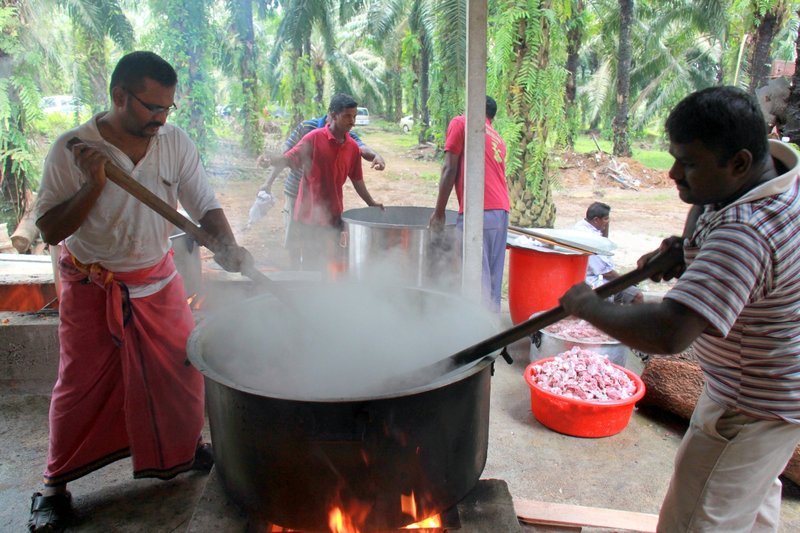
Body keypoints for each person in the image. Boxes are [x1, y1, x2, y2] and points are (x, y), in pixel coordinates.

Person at [28, 51, 252, 532]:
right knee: (79, 386)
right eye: (152, 107)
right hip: (95, 283)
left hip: (158, 278)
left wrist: (227, 246)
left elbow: (203, 203)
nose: (161, 118)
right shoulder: (73, 149)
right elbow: (49, 228)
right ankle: (54, 487)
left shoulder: (174, 142)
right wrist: (93, 185)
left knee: (183, 371)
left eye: (168, 108)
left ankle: (183, 450)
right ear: (119, 96)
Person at [559, 86, 800, 532]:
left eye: (688, 163)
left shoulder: (747, 234)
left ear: (740, 162)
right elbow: (723, 229)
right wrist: (688, 251)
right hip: (776, 392)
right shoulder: (774, 173)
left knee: (695, 521)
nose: (672, 173)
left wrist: (589, 306)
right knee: (748, 509)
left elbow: (670, 332)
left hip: (750, 405)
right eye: (674, 157)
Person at [265, 93, 383, 272]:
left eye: (354, 116)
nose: (352, 121)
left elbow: (357, 179)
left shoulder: (352, 147)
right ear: (333, 115)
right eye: (347, 116)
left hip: (334, 215)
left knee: (331, 263)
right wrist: (271, 160)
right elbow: (289, 159)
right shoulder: (313, 138)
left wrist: (371, 203)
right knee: (311, 263)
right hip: (308, 216)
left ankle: (326, 295)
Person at [430, 96, 509, 312]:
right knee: (492, 279)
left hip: (479, 210)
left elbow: (449, 169)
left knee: (474, 278)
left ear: (473, 107)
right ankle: (493, 336)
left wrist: (439, 213)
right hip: (501, 212)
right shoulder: (496, 137)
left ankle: (476, 338)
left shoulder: (462, 122)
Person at [574, 201, 643, 304]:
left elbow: (604, 241)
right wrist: (628, 280)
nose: (608, 222)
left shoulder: (584, 225)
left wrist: (605, 224)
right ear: (596, 220)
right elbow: (607, 273)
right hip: (593, 283)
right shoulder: (590, 239)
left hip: (595, 278)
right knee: (636, 295)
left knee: (633, 293)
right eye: (606, 219)